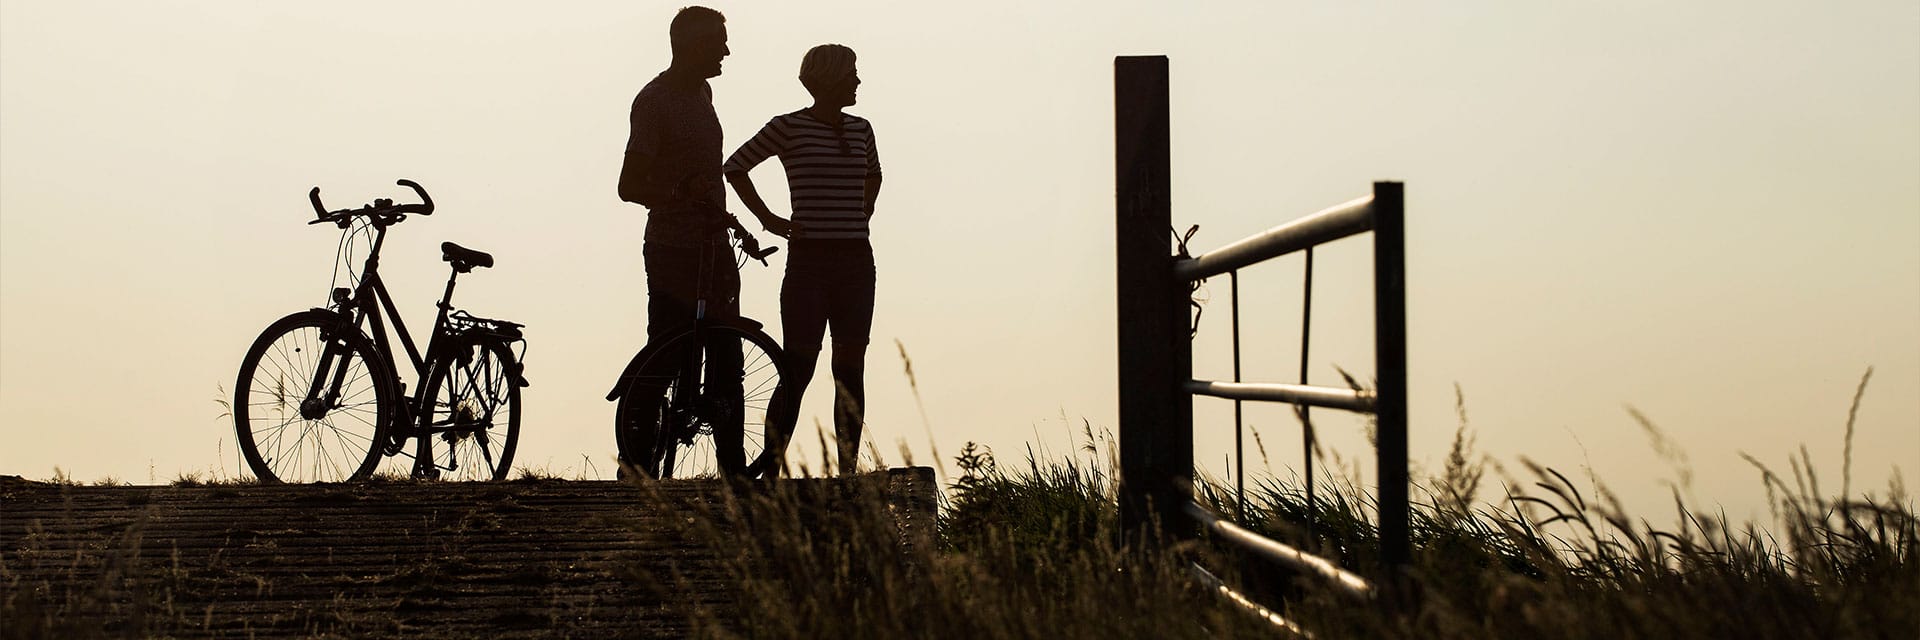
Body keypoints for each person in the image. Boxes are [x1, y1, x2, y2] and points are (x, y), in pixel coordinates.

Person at [724, 44, 882, 475]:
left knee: (850, 368)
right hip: (809, 263)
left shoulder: (862, 129)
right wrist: (769, 219)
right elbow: (735, 166)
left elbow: (874, 173)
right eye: (851, 73)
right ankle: (771, 470)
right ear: (830, 79)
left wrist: (861, 212)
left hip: (855, 261)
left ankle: (846, 472)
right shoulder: (788, 127)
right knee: (798, 366)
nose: (857, 81)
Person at [617, 6, 750, 475]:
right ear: (693, 46)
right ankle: (637, 464)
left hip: (714, 245)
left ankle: (735, 472)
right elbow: (629, 186)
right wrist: (678, 192)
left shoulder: (703, 93)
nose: (727, 51)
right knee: (667, 352)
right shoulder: (654, 101)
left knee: (728, 355)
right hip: (673, 247)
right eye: (719, 42)